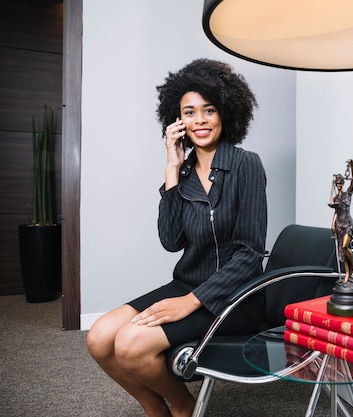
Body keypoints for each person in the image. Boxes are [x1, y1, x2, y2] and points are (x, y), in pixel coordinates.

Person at [86, 59, 267, 417]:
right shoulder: (182, 172)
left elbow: (249, 254)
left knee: (131, 344)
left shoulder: (247, 164)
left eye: (209, 110)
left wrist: (192, 301)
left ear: (225, 113)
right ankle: (156, 408)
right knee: (100, 337)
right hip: (186, 283)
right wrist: (171, 167)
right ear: (177, 120)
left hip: (235, 296)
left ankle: (184, 405)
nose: (199, 120)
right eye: (189, 112)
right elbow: (170, 240)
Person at [329, 159, 353, 283]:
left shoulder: (348, 193)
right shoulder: (336, 198)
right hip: (339, 225)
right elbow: (336, 212)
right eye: (338, 183)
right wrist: (332, 225)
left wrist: (352, 165)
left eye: (341, 182)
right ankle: (347, 274)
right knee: (342, 251)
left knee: (345, 246)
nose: (339, 184)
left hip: (347, 224)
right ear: (335, 184)